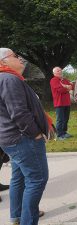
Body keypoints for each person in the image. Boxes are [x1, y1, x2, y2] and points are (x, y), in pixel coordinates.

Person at [0, 47, 49, 225]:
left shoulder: (6, 78)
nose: (21, 59)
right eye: (15, 56)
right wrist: (35, 133)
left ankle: (17, 216)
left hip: (10, 138)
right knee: (37, 179)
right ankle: (28, 221)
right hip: (22, 139)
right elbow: (19, 113)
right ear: (3, 61)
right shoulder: (9, 79)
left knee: (19, 177)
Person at [50, 67, 73, 140]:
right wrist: (67, 87)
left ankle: (64, 132)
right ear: (54, 73)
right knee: (60, 119)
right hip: (59, 103)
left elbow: (72, 86)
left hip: (67, 102)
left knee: (66, 118)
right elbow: (60, 90)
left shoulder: (64, 80)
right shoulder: (53, 80)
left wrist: (66, 86)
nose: (60, 71)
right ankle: (59, 135)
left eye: (60, 70)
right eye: (58, 71)